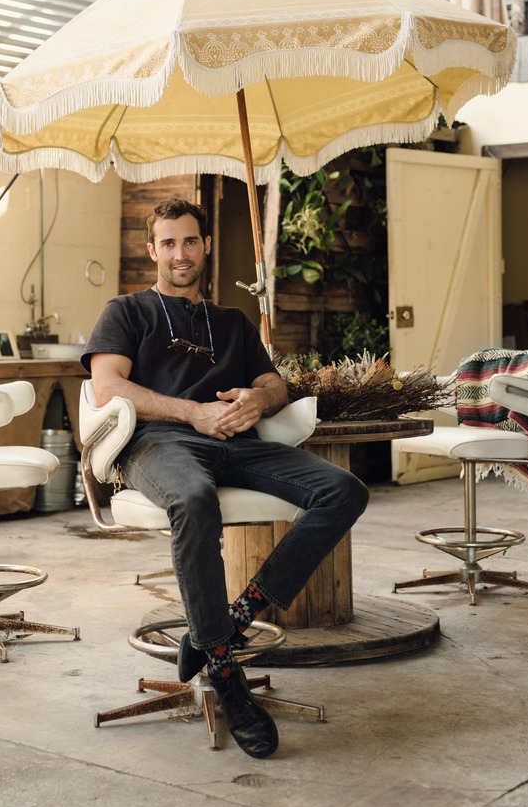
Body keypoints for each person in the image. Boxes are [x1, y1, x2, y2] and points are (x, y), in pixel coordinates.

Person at [82, 197, 369, 758]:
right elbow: (108, 387)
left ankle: (236, 617)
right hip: (157, 442)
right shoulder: (126, 312)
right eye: (168, 243)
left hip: (238, 442)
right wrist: (192, 412)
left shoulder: (232, 322)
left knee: (343, 490)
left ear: (206, 246)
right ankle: (226, 673)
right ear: (152, 250)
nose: (180, 253)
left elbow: (275, 384)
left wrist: (257, 400)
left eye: (190, 241)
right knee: (192, 498)